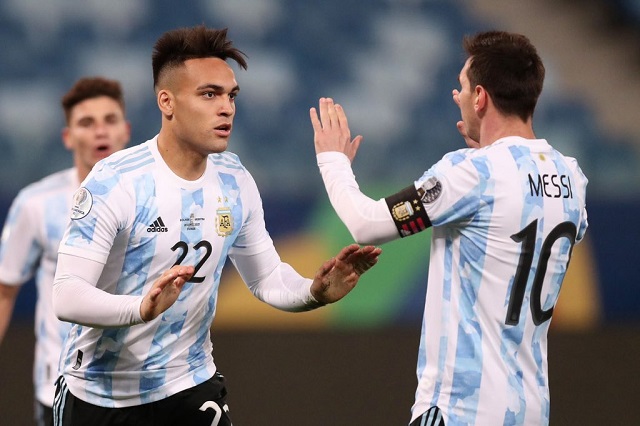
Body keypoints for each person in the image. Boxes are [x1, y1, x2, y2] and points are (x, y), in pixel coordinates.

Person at [50, 25, 381, 426]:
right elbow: (67, 295)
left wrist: (315, 292)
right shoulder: (115, 181)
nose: (226, 108)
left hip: (190, 386)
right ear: (167, 102)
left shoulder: (234, 180)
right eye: (209, 94)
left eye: (231, 96)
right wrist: (140, 308)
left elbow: (266, 278)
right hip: (99, 395)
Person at [310, 30, 588, 425]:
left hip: (461, 409)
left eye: (462, 86)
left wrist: (332, 161)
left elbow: (366, 224)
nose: (457, 96)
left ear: (480, 98)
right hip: (530, 410)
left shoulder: (470, 172)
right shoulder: (571, 176)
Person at [0, 77, 130, 426]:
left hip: (139, 384)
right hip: (62, 386)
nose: (100, 131)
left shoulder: (156, 201)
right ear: (68, 137)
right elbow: (4, 291)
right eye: (87, 122)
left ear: (126, 131)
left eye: (110, 120)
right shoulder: (36, 205)